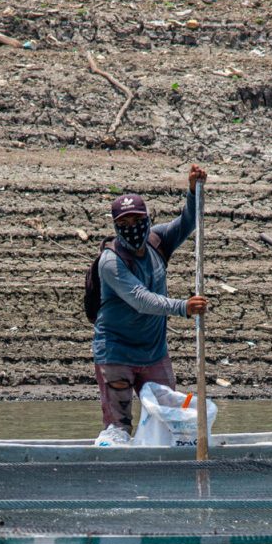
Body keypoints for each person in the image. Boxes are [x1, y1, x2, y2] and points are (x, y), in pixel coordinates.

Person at [92, 164, 209, 444]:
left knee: (170, 422)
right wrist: (184, 307)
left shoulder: (157, 241)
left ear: (147, 219)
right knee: (118, 428)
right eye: (124, 225)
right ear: (115, 227)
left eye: (137, 221)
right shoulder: (110, 262)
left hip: (154, 353)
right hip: (116, 352)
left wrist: (194, 191)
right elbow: (140, 299)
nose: (132, 229)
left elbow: (188, 222)